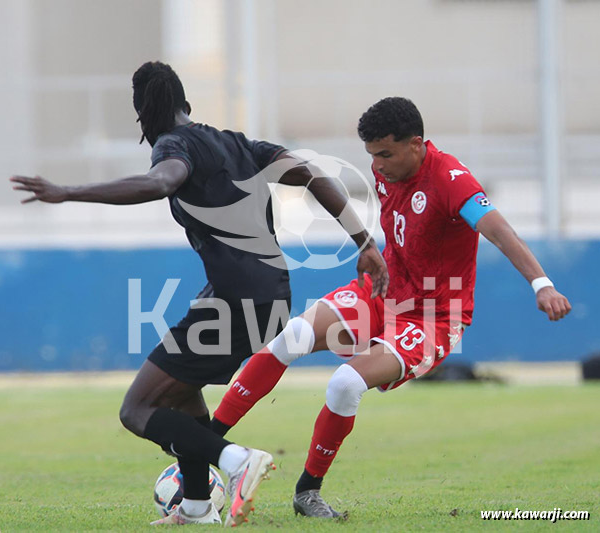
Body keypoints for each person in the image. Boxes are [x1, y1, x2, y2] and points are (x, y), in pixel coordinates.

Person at [10, 61, 388, 527]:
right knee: (183, 397)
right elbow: (313, 174)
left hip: (236, 303)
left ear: (143, 114)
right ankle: (194, 507)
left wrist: (69, 192)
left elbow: (162, 181)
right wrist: (364, 241)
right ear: (186, 103)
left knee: (137, 409)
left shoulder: (173, 145)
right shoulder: (240, 144)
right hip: (269, 299)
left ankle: (235, 461)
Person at [210, 96, 572, 518]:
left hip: (434, 316)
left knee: (344, 384)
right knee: (292, 335)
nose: (377, 165)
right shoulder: (387, 170)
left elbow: (498, 230)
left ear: (416, 144)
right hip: (383, 292)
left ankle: (307, 491)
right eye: (371, 155)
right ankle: (204, 446)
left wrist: (541, 284)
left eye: (385, 154)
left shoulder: (453, 180)